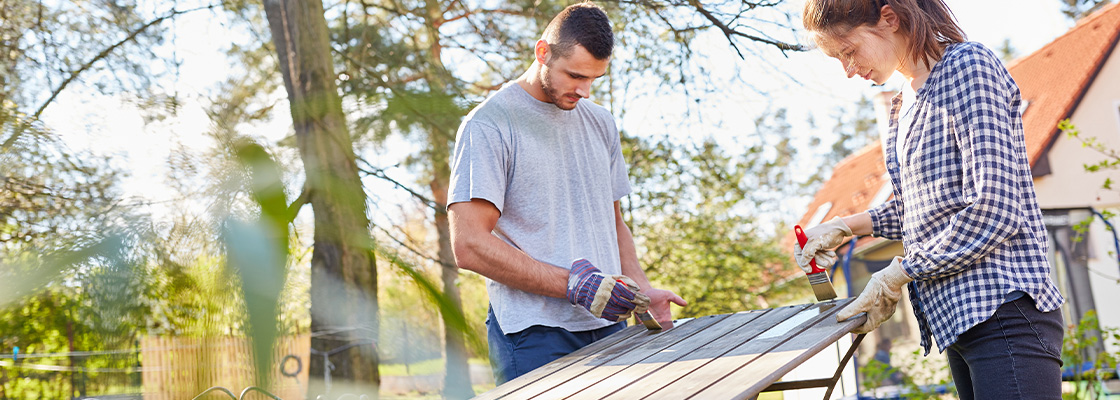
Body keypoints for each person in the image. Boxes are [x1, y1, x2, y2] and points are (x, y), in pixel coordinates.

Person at [795, 1, 1065, 399]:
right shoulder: (904, 102)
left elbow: (995, 208)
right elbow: (928, 206)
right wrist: (845, 227)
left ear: (889, 18)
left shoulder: (967, 67)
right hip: (958, 319)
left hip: (1003, 309)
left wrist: (901, 272)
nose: (848, 70)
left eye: (848, 51)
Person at [446, 2, 686, 385]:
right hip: (534, 335)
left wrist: (641, 289)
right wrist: (573, 285)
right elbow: (470, 244)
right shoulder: (490, 124)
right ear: (543, 52)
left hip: (609, 324)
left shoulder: (600, 122)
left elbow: (613, 222)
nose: (584, 91)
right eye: (574, 75)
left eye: (594, 79)